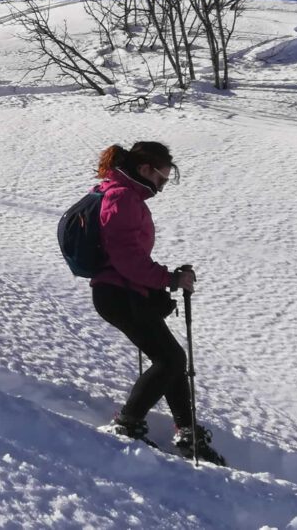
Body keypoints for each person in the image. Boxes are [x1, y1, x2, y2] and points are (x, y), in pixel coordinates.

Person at [90, 141, 225, 465]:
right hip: (117, 293)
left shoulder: (126, 195)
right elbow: (127, 260)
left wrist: (162, 281)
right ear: (144, 169)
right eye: (162, 179)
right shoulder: (121, 197)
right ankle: (128, 423)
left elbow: (130, 260)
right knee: (170, 359)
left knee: (171, 358)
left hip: (123, 291)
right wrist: (169, 280)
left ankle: (187, 431)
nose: (162, 186)